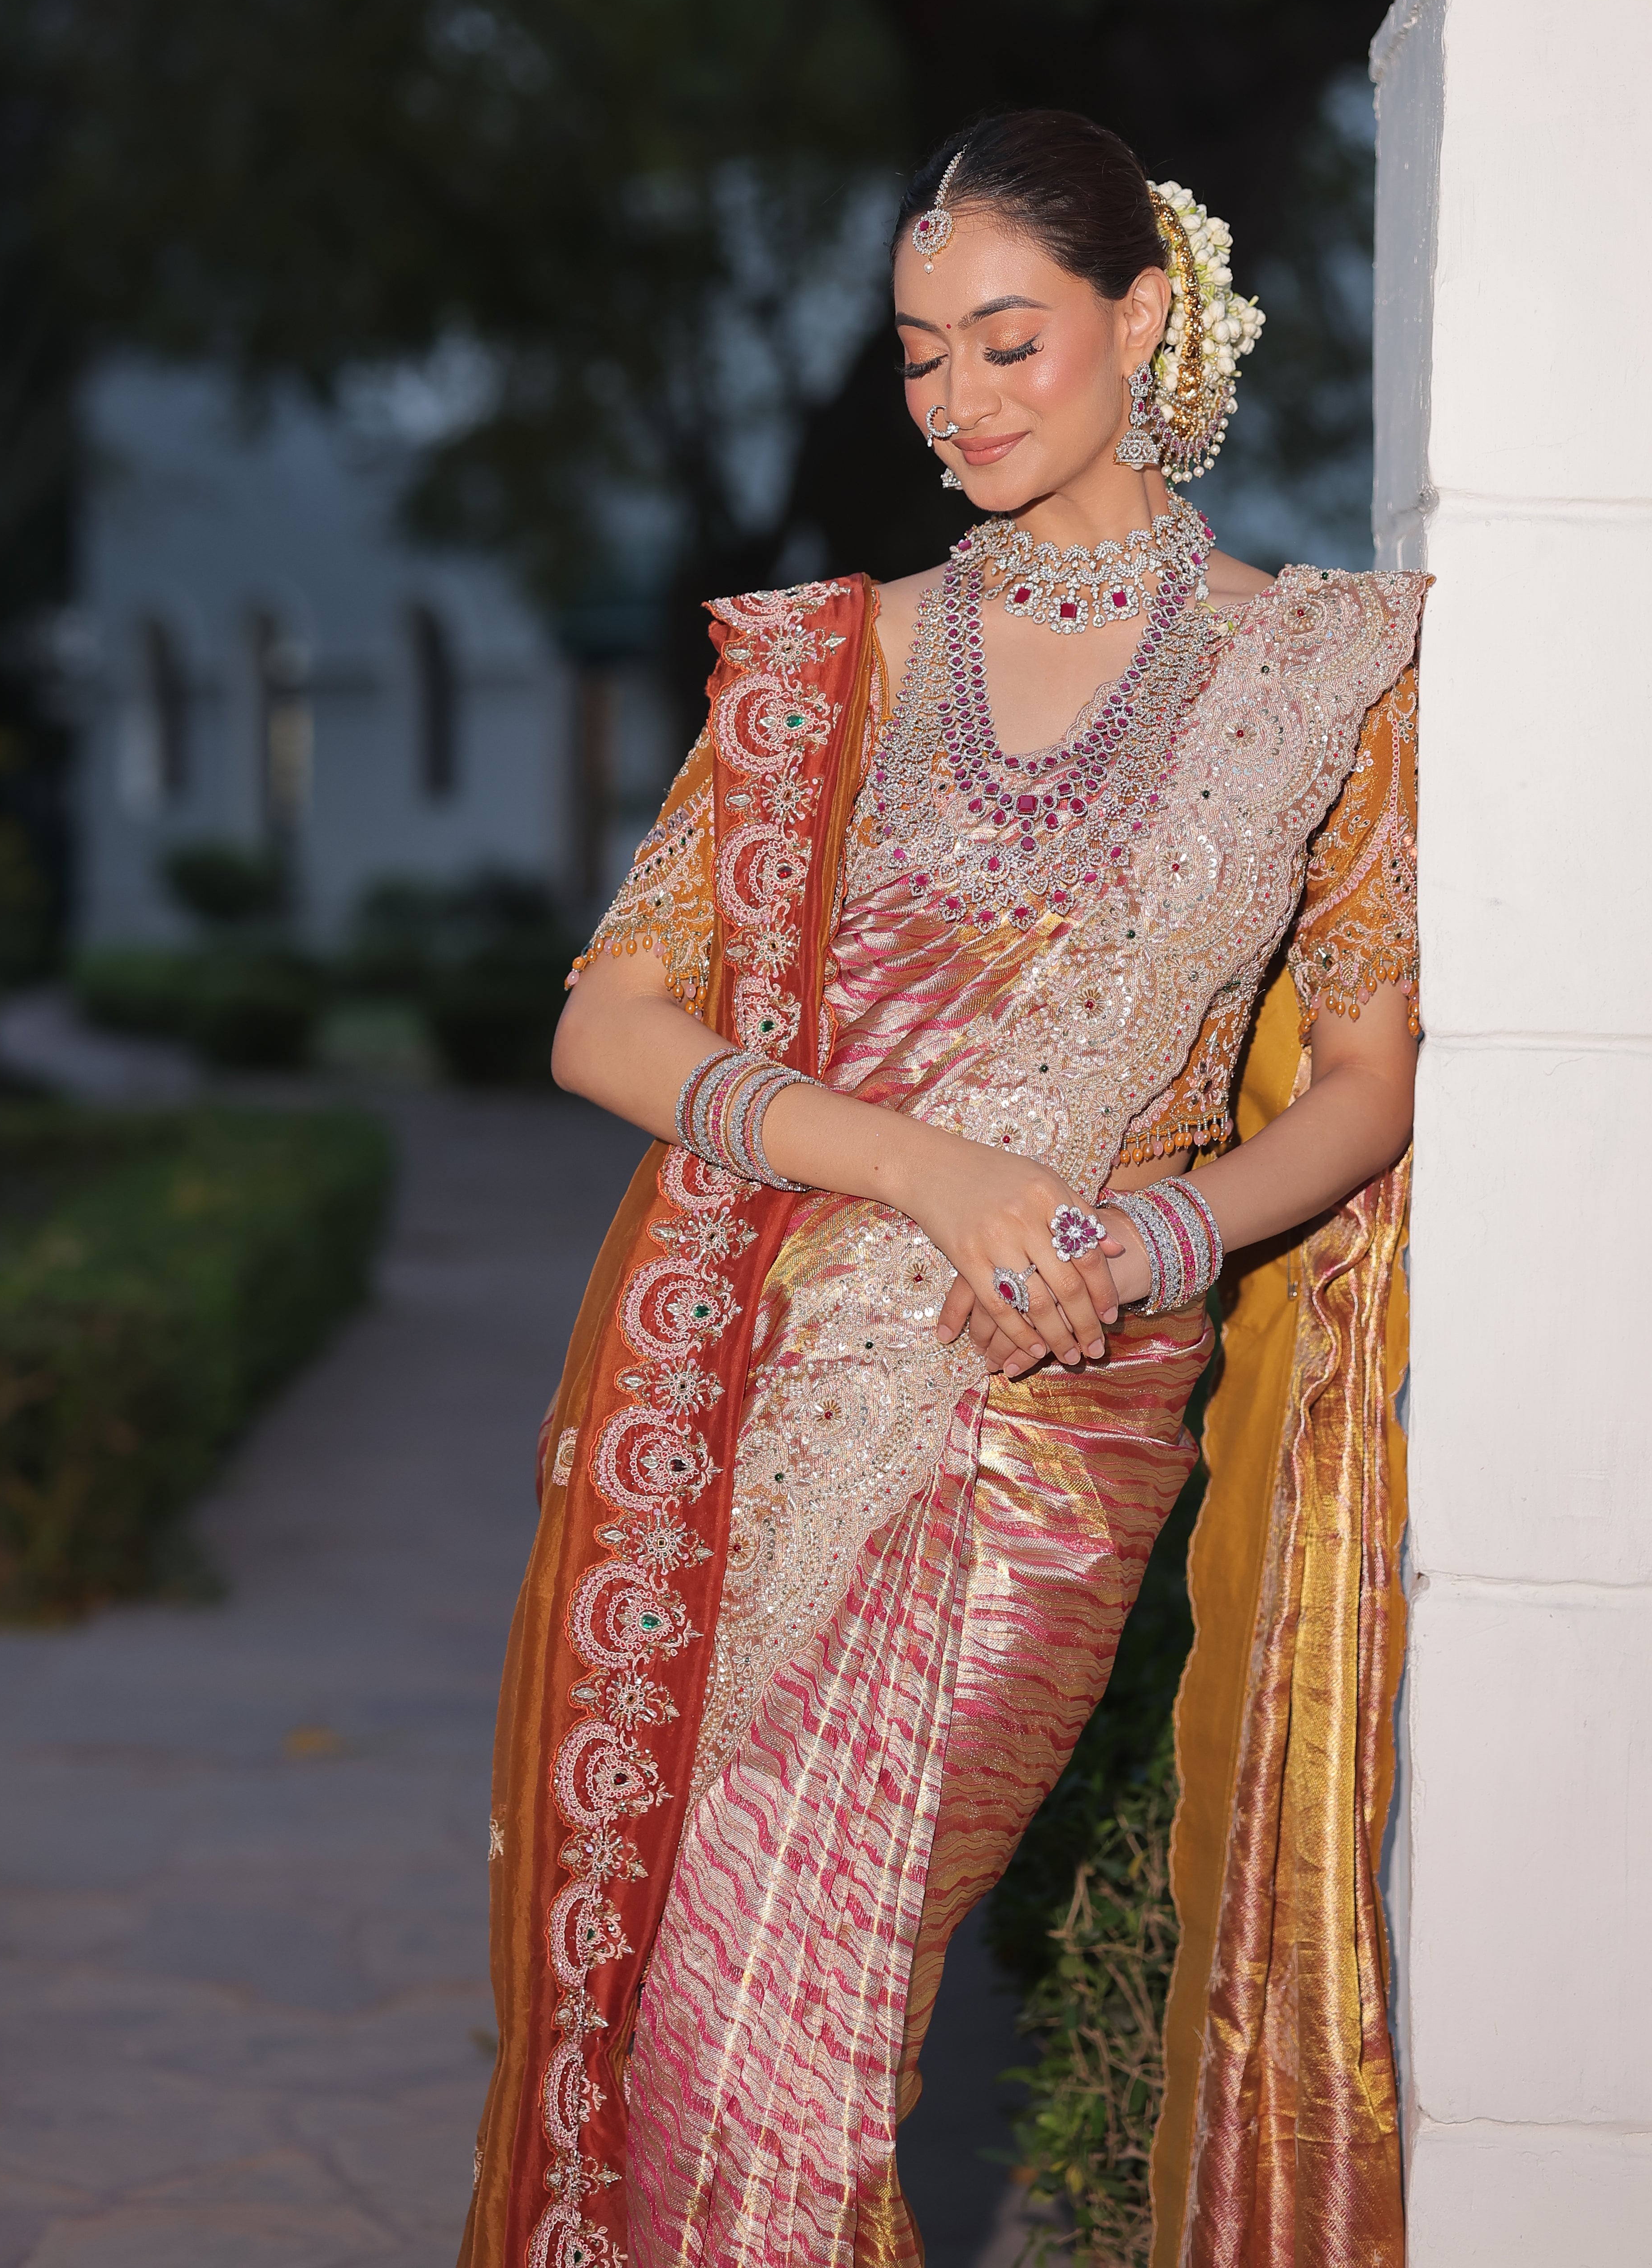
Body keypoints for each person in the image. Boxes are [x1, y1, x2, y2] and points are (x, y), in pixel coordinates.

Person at [461, 110, 1424, 2268]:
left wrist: (1147, 1235)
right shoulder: (829, 669)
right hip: (753, 1410)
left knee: (779, 2049)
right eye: (919, 357)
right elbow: (607, 1023)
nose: (959, 403)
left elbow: (1364, 1079)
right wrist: (923, 1164)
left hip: (1052, 1423)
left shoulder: (1324, 674)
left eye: (1008, 342)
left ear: (1141, 321)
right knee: (708, 2043)